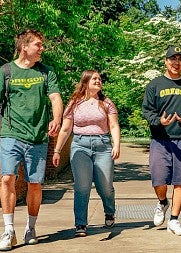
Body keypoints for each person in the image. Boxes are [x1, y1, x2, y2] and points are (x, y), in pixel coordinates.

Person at [0, 29, 63, 251]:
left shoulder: (46, 72)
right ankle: (8, 230)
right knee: (7, 178)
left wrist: (56, 118)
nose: (42, 48)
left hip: (37, 137)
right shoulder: (4, 73)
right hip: (10, 134)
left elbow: (55, 97)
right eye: (38, 44)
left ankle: (31, 227)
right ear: (24, 47)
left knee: (34, 184)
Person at [142, 46, 181, 236]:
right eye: (172, 59)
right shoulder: (155, 85)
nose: (176, 62)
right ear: (165, 61)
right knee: (158, 179)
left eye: (180, 59)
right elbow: (148, 110)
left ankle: (175, 220)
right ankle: (162, 202)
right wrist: (158, 121)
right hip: (160, 140)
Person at [52, 70, 120, 237]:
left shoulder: (106, 103)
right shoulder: (74, 103)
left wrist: (116, 144)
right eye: (94, 78)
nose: (98, 81)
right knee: (82, 187)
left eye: (99, 79)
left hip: (103, 146)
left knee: (105, 187)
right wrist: (57, 150)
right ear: (86, 82)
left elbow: (113, 125)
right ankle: (80, 224)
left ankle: (109, 212)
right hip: (80, 146)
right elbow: (66, 129)